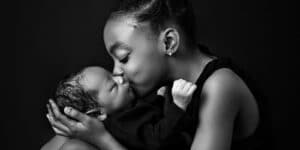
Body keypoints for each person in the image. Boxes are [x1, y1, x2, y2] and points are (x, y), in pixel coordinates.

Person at [45, 0, 264, 149]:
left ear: (168, 42)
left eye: (123, 58)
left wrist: (102, 139)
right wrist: (72, 122)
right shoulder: (156, 84)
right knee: (73, 143)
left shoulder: (220, 85)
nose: (116, 72)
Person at [43, 66, 197, 150]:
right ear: (98, 113)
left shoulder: (127, 110)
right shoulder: (123, 124)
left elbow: (149, 114)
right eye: (113, 86)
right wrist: (178, 106)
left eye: (112, 75)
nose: (120, 77)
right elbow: (160, 137)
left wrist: (160, 98)